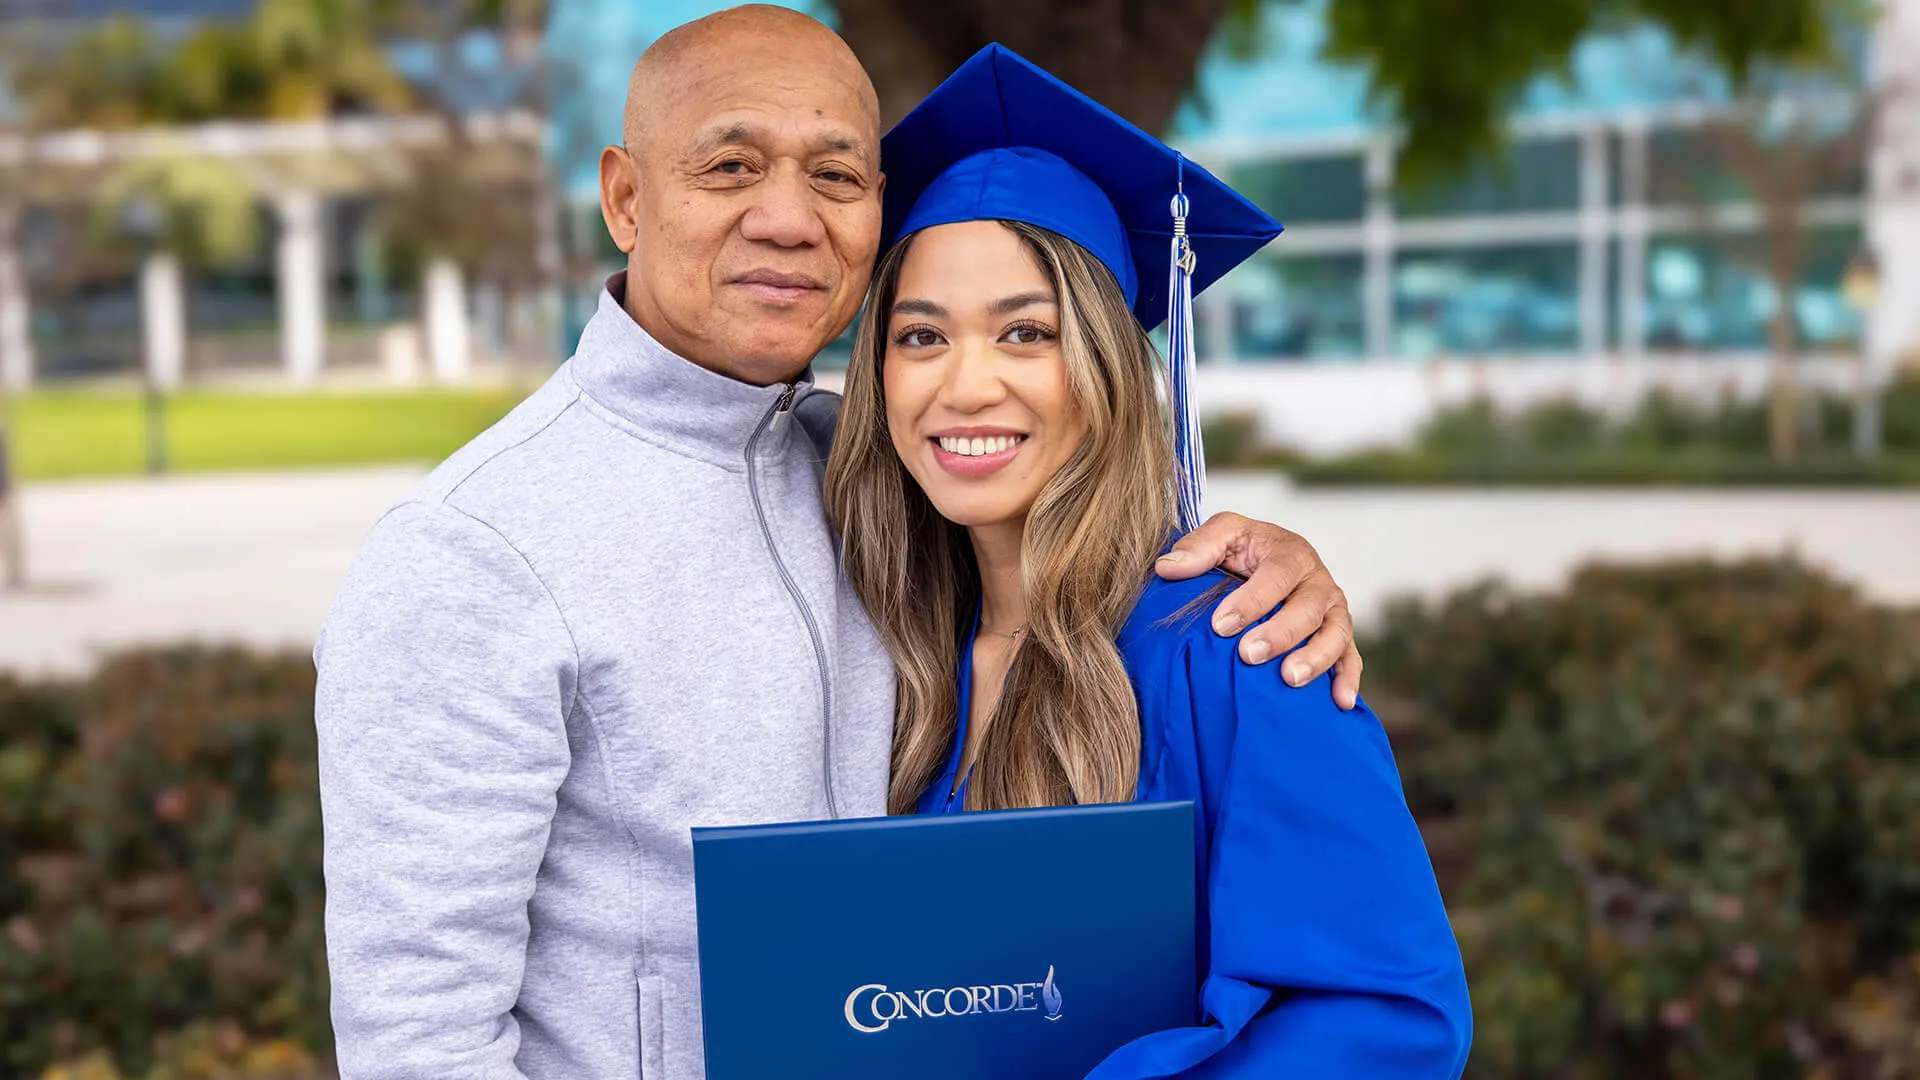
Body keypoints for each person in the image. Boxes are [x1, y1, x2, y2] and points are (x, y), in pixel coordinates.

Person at [314, 8, 1367, 1080]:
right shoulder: (474, 552)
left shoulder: (883, 484)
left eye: (835, 174)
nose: (786, 217)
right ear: (626, 197)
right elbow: (419, 1039)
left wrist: (1270, 564)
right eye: (729, 165)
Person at [824, 44, 1473, 1077]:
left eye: (1026, 333)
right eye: (919, 336)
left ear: (1109, 368)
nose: (965, 385)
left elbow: (1389, 1023)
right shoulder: (886, 640)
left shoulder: (1238, 644)